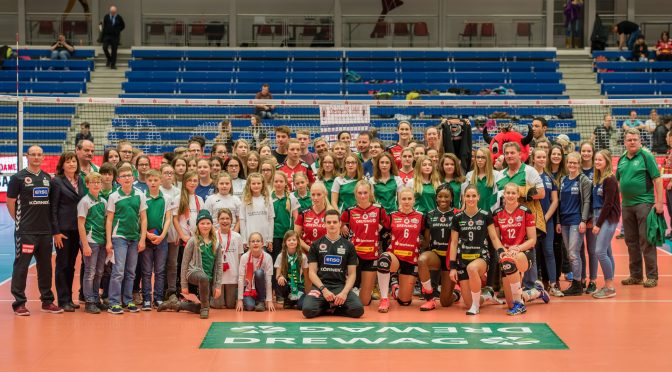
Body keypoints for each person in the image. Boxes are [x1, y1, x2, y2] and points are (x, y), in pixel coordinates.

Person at [8, 145, 62, 316]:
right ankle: (19, 303)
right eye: (33, 154)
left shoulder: (48, 179)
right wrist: (19, 222)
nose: (36, 157)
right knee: (22, 266)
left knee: (45, 267)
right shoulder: (18, 178)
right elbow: (10, 202)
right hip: (26, 232)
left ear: (43, 157)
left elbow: (51, 205)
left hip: (45, 232)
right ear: (27, 156)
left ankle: (47, 301)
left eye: (39, 155)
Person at [617, 128, 664, 288]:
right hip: (627, 205)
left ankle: (652, 276)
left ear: (639, 141)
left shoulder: (646, 156)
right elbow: (619, 181)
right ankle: (636, 275)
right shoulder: (622, 159)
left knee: (646, 240)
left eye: (634, 139)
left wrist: (659, 203)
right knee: (631, 241)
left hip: (644, 204)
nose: (632, 142)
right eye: (629, 140)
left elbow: (657, 179)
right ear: (625, 142)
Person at [493, 183, 549, 315]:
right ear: (504, 194)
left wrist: (517, 248)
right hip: (506, 254)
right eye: (508, 193)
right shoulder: (497, 213)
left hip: (524, 252)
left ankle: (520, 306)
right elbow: (497, 239)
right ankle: (536, 292)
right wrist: (503, 251)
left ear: (518, 195)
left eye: (514, 193)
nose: (511, 196)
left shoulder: (525, 211)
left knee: (509, 261)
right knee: (510, 301)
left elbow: (532, 240)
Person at [448, 186, 500, 316]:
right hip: (462, 260)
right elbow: (454, 243)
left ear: (478, 197)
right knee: (467, 302)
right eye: (468, 196)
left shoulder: (485, 215)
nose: (470, 199)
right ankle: (487, 296)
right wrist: (453, 267)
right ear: (463, 198)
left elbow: (494, 237)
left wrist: (501, 251)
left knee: (472, 268)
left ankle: (475, 307)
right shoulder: (458, 217)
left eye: (473, 196)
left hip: (480, 257)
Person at [303, 209, 364, 319]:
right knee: (308, 310)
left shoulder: (349, 246)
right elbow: (311, 272)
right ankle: (330, 306)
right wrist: (324, 290)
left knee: (357, 310)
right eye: (329, 222)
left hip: (340, 287)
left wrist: (344, 293)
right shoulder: (316, 245)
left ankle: (331, 307)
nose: (332, 225)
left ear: (340, 223)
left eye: (335, 222)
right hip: (320, 288)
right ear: (324, 223)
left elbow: (352, 274)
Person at [105, 164, 148, 314]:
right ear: (118, 180)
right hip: (119, 237)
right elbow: (109, 219)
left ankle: (128, 300)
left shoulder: (140, 195)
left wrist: (142, 239)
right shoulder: (113, 196)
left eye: (129, 175)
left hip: (134, 238)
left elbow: (143, 219)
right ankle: (114, 302)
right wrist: (109, 241)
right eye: (123, 176)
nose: (127, 178)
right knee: (118, 271)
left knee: (131, 272)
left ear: (133, 177)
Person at [340, 180, 388, 306]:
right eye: (360, 193)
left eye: (365, 193)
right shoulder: (350, 211)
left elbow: (388, 225)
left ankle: (365, 292)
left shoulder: (378, 209)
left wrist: (381, 228)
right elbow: (339, 223)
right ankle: (353, 290)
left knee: (364, 302)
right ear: (355, 194)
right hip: (354, 255)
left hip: (371, 255)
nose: (362, 196)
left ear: (370, 193)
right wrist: (343, 226)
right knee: (351, 298)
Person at [376, 188, 423, 313]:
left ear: (414, 200)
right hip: (395, 257)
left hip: (411, 259)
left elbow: (427, 236)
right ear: (399, 200)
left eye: (409, 199)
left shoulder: (420, 217)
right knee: (384, 259)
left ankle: (395, 289)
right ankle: (384, 299)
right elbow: (381, 233)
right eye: (403, 199)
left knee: (405, 302)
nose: (406, 202)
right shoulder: (392, 216)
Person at [50, 152, 85, 312]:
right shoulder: (57, 182)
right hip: (63, 231)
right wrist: (55, 232)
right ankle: (62, 300)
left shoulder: (81, 180)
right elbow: (53, 208)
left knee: (71, 266)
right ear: (62, 164)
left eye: (74, 161)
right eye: (68, 162)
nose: (72, 164)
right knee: (62, 265)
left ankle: (69, 299)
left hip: (78, 229)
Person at [557, 152, 592, 296]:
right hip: (564, 221)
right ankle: (576, 283)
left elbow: (587, 201)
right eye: (570, 163)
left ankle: (577, 283)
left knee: (573, 253)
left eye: (575, 163)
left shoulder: (583, 180)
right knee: (569, 252)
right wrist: (558, 221)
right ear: (566, 164)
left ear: (579, 164)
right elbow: (560, 202)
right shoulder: (563, 179)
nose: (572, 165)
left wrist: (583, 220)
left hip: (576, 221)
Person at [176, 210, 223, 319]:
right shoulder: (192, 241)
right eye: (202, 223)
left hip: (208, 278)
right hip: (193, 272)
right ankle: (205, 309)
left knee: (202, 303)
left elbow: (219, 266)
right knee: (203, 277)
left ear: (212, 225)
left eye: (208, 223)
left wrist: (217, 286)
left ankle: (178, 305)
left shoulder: (216, 243)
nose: (205, 226)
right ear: (197, 225)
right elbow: (184, 263)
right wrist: (184, 285)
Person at [140, 170, 175, 311]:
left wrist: (162, 236)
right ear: (146, 182)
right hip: (146, 237)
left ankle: (159, 298)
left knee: (160, 270)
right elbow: (140, 218)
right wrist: (146, 234)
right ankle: (147, 299)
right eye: (150, 180)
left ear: (160, 181)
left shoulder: (166, 198)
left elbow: (168, 219)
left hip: (161, 239)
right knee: (146, 271)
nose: (153, 183)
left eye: (156, 180)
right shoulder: (142, 197)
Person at [532, 149, 562, 297]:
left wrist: (545, 217)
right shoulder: (529, 176)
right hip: (532, 222)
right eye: (539, 157)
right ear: (533, 158)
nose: (542, 159)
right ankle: (534, 285)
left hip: (547, 221)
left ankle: (553, 284)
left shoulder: (550, 177)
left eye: (544, 157)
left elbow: (555, 200)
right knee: (534, 252)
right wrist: (536, 218)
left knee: (549, 251)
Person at [78, 172, 108, 314]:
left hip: (102, 240)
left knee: (99, 272)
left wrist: (108, 241)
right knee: (90, 272)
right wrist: (85, 244)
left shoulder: (103, 201)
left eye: (98, 182)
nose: (96, 184)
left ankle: (96, 298)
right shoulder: (84, 201)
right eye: (93, 182)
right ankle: (89, 300)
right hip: (91, 241)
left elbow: (106, 221)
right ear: (87, 184)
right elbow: (81, 224)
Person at [591, 150, 620, 299]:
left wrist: (598, 224)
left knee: (600, 252)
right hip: (599, 217)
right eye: (596, 160)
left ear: (607, 161)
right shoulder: (599, 178)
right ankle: (610, 284)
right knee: (607, 252)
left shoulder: (610, 179)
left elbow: (608, 204)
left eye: (600, 160)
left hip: (608, 219)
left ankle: (609, 287)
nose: (597, 162)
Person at [210, 208, 244, 310]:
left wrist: (240, 276)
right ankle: (209, 298)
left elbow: (240, 257)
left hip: (232, 275)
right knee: (218, 305)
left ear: (231, 220)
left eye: (227, 218)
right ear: (217, 220)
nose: (225, 221)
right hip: (218, 276)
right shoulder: (213, 236)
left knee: (230, 305)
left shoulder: (237, 237)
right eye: (222, 218)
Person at [237, 232, 275, 312]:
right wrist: (240, 300)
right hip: (248, 289)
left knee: (259, 273)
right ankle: (253, 301)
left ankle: (261, 301)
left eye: (258, 241)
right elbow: (241, 278)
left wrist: (269, 300)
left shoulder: (267, 258)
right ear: (248, 244)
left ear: (262, 243)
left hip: (261, 288)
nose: (255, 243)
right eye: (253, 241)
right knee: (250, 307)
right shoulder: (244, 257)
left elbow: (268, 280)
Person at [275, 231, 309, 310]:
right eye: (289, 240)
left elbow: (307, 276)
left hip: (299, 286)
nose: (291, 242)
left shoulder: (303, 257)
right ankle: (287, 299)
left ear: (298, 242)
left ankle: (296, 300)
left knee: (301, 306)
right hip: (287, 285)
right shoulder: (281, 256)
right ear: (285, 242)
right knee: (280, 281)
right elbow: (277, 275)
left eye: (294, 240)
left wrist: (308, 292)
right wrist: (280, 277)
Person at [295, 182, 332, 253]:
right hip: (307, 252)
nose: (315, 198)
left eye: (319, 194)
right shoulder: (303, 213)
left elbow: (336, 236)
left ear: (325, 194)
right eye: (313, 195)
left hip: (327, 252)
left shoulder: (331, 213)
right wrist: (309, 248)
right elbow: (296, 236)